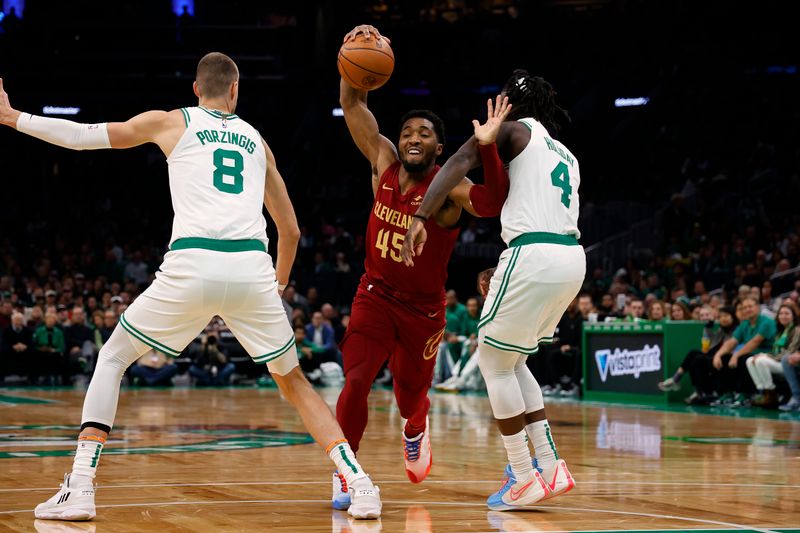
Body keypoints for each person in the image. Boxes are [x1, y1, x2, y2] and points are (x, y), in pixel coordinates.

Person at [0, 53, 381, 521]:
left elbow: (85, 137)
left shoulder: (172, 122)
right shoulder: (258, 142)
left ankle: (79, 487)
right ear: (236, 91)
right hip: (250, 267)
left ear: (196, 90)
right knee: (294, 383)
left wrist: (13, 117)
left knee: (114, 357)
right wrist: (276, 284)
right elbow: (291, 230)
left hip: (193, 261)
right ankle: (360, 484)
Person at [402, 73, 583, 510]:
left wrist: (422, 215)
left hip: (533, 255)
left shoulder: (512, 130)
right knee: (513, 359)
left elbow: (458, 163)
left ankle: (523, 474)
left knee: (493, 361)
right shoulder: (565, 153)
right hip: (571, 256)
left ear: (509, 102)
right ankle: (551, 464)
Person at [332, 24, 493, 510]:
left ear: (440, 150)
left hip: (423, 311)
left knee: (409, 398)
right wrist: (352, 54)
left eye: (424, 133)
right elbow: (355, 106)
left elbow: (487, 203)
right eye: (407, 132)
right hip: (375, 295)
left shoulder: (448, 194)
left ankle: (416, 428)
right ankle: (346, 471)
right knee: (356, 379)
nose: (412, 138)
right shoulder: (382, 161)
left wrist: (488, 147)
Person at [659, 305, 738, 404]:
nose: (723, 319)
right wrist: (708, 327)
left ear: (733, 317)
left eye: (726, 316)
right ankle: (676, 379)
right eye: (721, 317)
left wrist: (716, 354)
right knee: (693, 353)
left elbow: (729, 347)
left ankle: (699, 391)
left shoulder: (736, 330)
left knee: (698, 359)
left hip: (727, 359)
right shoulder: (722, 330)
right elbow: (710, 344)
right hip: (715, 357)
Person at [710, 296, 776, 407]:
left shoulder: (767, 322)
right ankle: (727, 394)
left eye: (750, 306)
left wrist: (736, 355)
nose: (747, 310)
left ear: (757, 307)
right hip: (750, 353)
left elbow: (755, 342)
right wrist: (718, 355)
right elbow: (732, 342)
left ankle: (746, 395)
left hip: (766, 354)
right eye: (745, 308)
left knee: (742, 359)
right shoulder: (745, 324)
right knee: (724, 358)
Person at [746, 303, 800, 408]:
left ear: (793, 316)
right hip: (779, 360)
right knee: (750, 360)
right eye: (781, 313)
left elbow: (790, 352)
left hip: (788, 363)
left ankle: (771, 392)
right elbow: (776, 351)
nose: (783, 316)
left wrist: (766, 356)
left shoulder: (797, 330)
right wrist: (765, 355)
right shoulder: (780, 331)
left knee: (760, 361)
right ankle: (762, 391)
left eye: (787, 314)